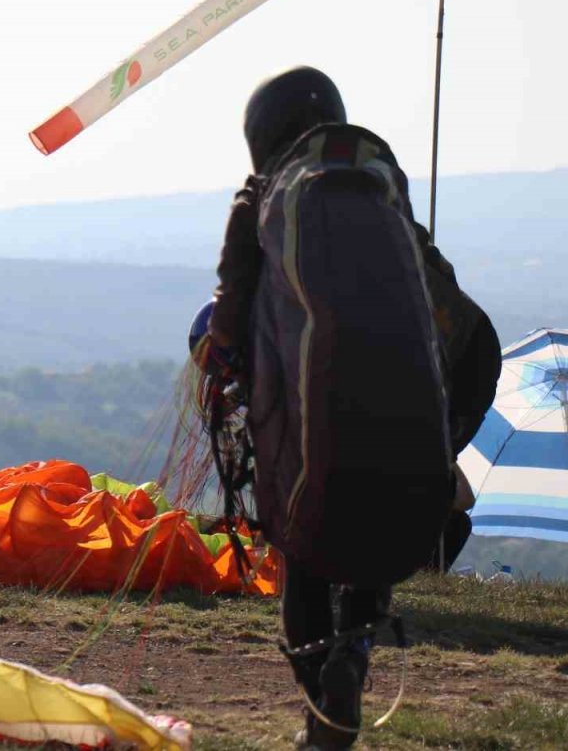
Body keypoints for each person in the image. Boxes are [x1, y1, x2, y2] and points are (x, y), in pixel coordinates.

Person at [203, 66, 497, 749]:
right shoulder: (381, 188)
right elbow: (457, 319)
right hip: (411, 409)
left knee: (304, 547)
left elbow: (227, 325)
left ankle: (321, 704)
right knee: (373, 544)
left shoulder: (262, 199)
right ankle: (353, 657)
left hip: (312, 415)